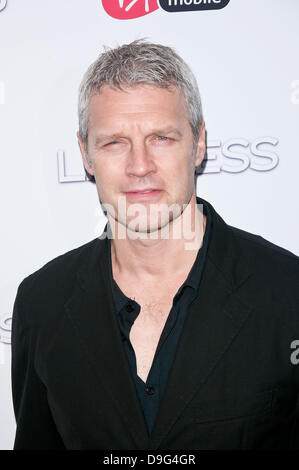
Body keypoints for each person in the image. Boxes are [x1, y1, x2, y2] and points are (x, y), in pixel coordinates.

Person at [11, 39, 299, 450]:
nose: (139, 165)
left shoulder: (287, 292)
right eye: (114, 142)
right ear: (86, 155)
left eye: (161, 138)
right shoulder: (42, 303)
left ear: (199, 143)